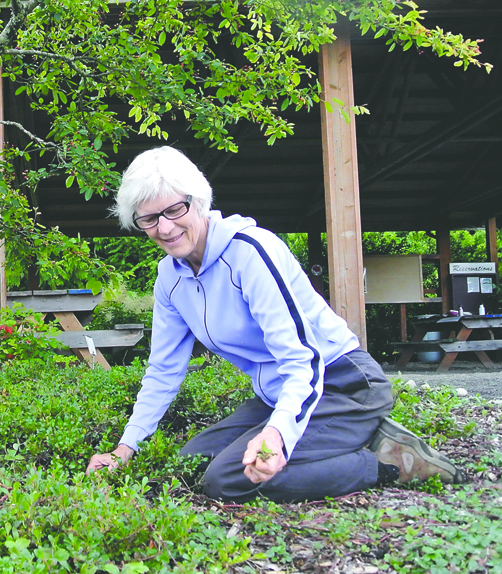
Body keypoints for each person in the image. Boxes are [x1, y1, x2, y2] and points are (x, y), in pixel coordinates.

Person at [86, 146, 465, 502]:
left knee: (228, 478)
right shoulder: (170, 278)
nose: (165, 228)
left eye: (174, 210)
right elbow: (163, 370)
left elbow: (302, 359)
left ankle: (385, 463)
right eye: (149, 218)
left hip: (340, 384)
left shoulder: (251, 253)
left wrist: (278, 433)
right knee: (191, 463)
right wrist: (125, 447)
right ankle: (339, 438)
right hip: (276, 395)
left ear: (198, 201)